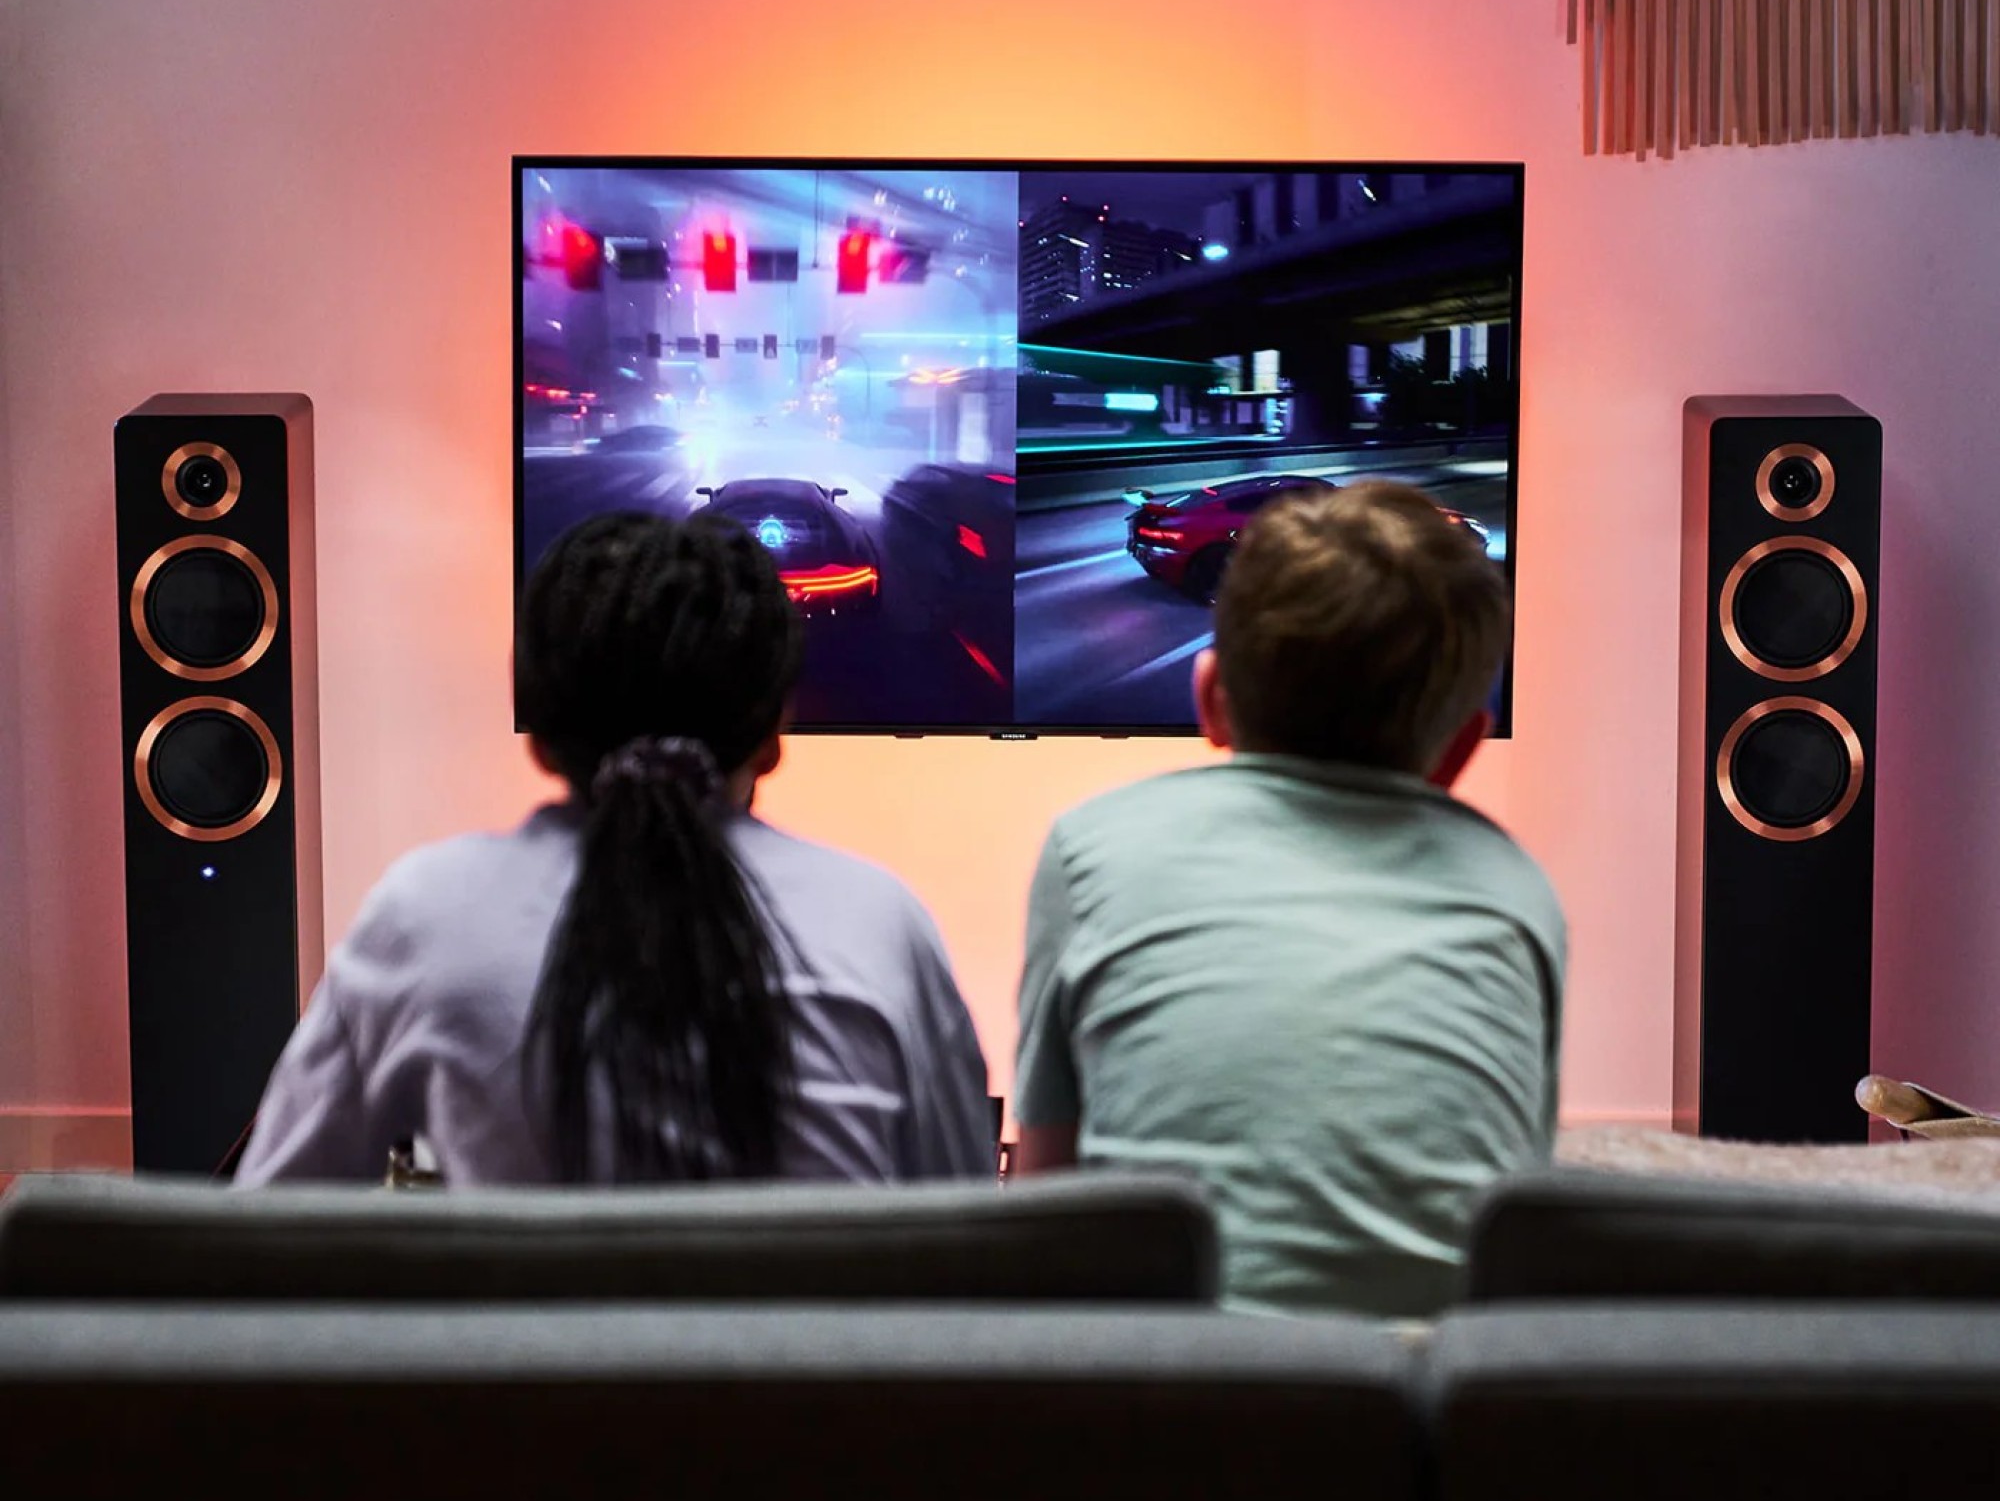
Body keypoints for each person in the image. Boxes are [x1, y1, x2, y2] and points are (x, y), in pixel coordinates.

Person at [237, 510, 992, 1187]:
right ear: (771, 739)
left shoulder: (424, 917)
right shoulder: (879, 922)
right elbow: (963, 1242)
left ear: (539, 734)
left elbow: (270, 1235)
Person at [1012, 479, 1565, 1316]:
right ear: (1462, 750)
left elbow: (1047, 1203)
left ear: (1210, 700)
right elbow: (1516, 1191)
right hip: (1426, 1380)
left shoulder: (1089, 849)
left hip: (1165, 1371)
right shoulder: (1516, 891)